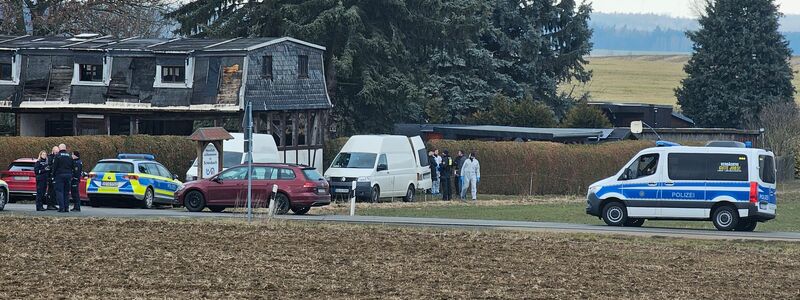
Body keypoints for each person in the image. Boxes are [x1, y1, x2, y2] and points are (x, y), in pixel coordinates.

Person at [51, 144, 74, 213]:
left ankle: (61, 208)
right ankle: (66, 208)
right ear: (65, 148)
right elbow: (73, 166)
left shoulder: (58, 156)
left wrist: (53, 175)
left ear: (59, 148)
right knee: (66, 192)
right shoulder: (70, 156)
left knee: (59, 191)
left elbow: (54, 167)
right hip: (68, 176)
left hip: (59, 176)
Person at [45, 146, 60, 210]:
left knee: (54, 192)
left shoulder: (59, 157)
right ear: (53, 151)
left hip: (56, 176)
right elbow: (49, 166)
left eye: (57, 152)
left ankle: (53, 204)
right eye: (56, 152)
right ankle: (49, 205)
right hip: (50, 176)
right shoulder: (50, 157)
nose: (56, 153)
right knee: (50, 191)